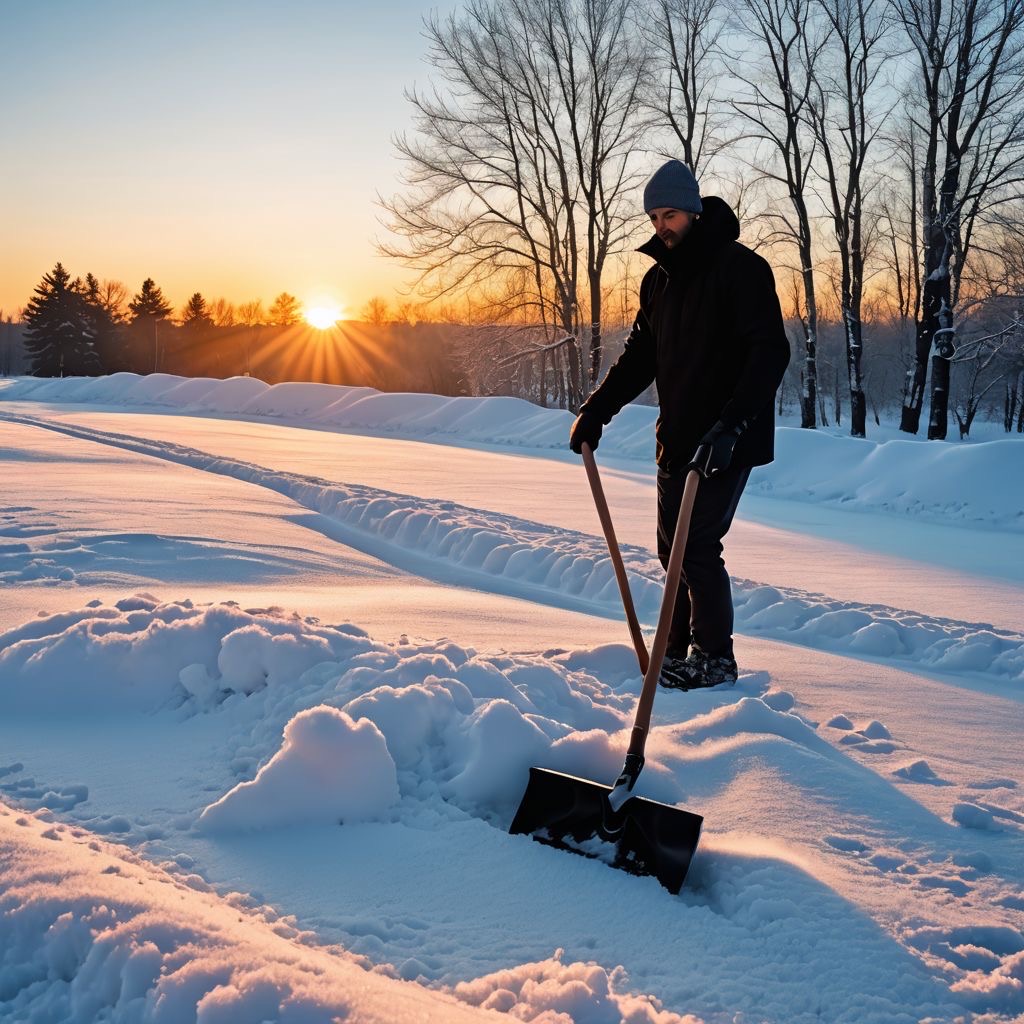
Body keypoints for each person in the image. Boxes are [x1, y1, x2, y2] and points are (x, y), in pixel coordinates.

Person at [569, 159, 790, 690]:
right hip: (678, 436)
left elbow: (770, 354)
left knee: (695, 547)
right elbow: (641, 356)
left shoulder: (742, 270)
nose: (661, 226)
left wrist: (733, 425)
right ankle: (678, 646)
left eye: (669, 214)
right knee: (672, 552)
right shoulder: (658, 280)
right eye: (653, 218)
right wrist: (598, 408)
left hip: (727, 438)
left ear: (693, 210)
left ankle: (714, 657)